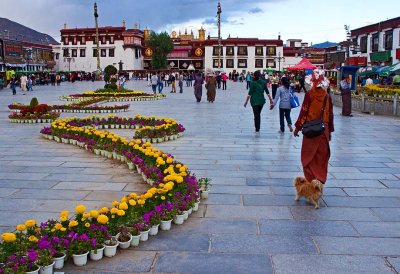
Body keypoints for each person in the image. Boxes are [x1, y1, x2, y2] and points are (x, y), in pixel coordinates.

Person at [293, 68, 334, 187]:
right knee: (321, 159)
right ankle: (319, 181)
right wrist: (330, 131)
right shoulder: (327, 96)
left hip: (311, 130)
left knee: (308, 158)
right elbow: (330, 115)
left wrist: (297, 128)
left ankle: (312, 182)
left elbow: (304, 112)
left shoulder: (309, 95)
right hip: (324, 130)